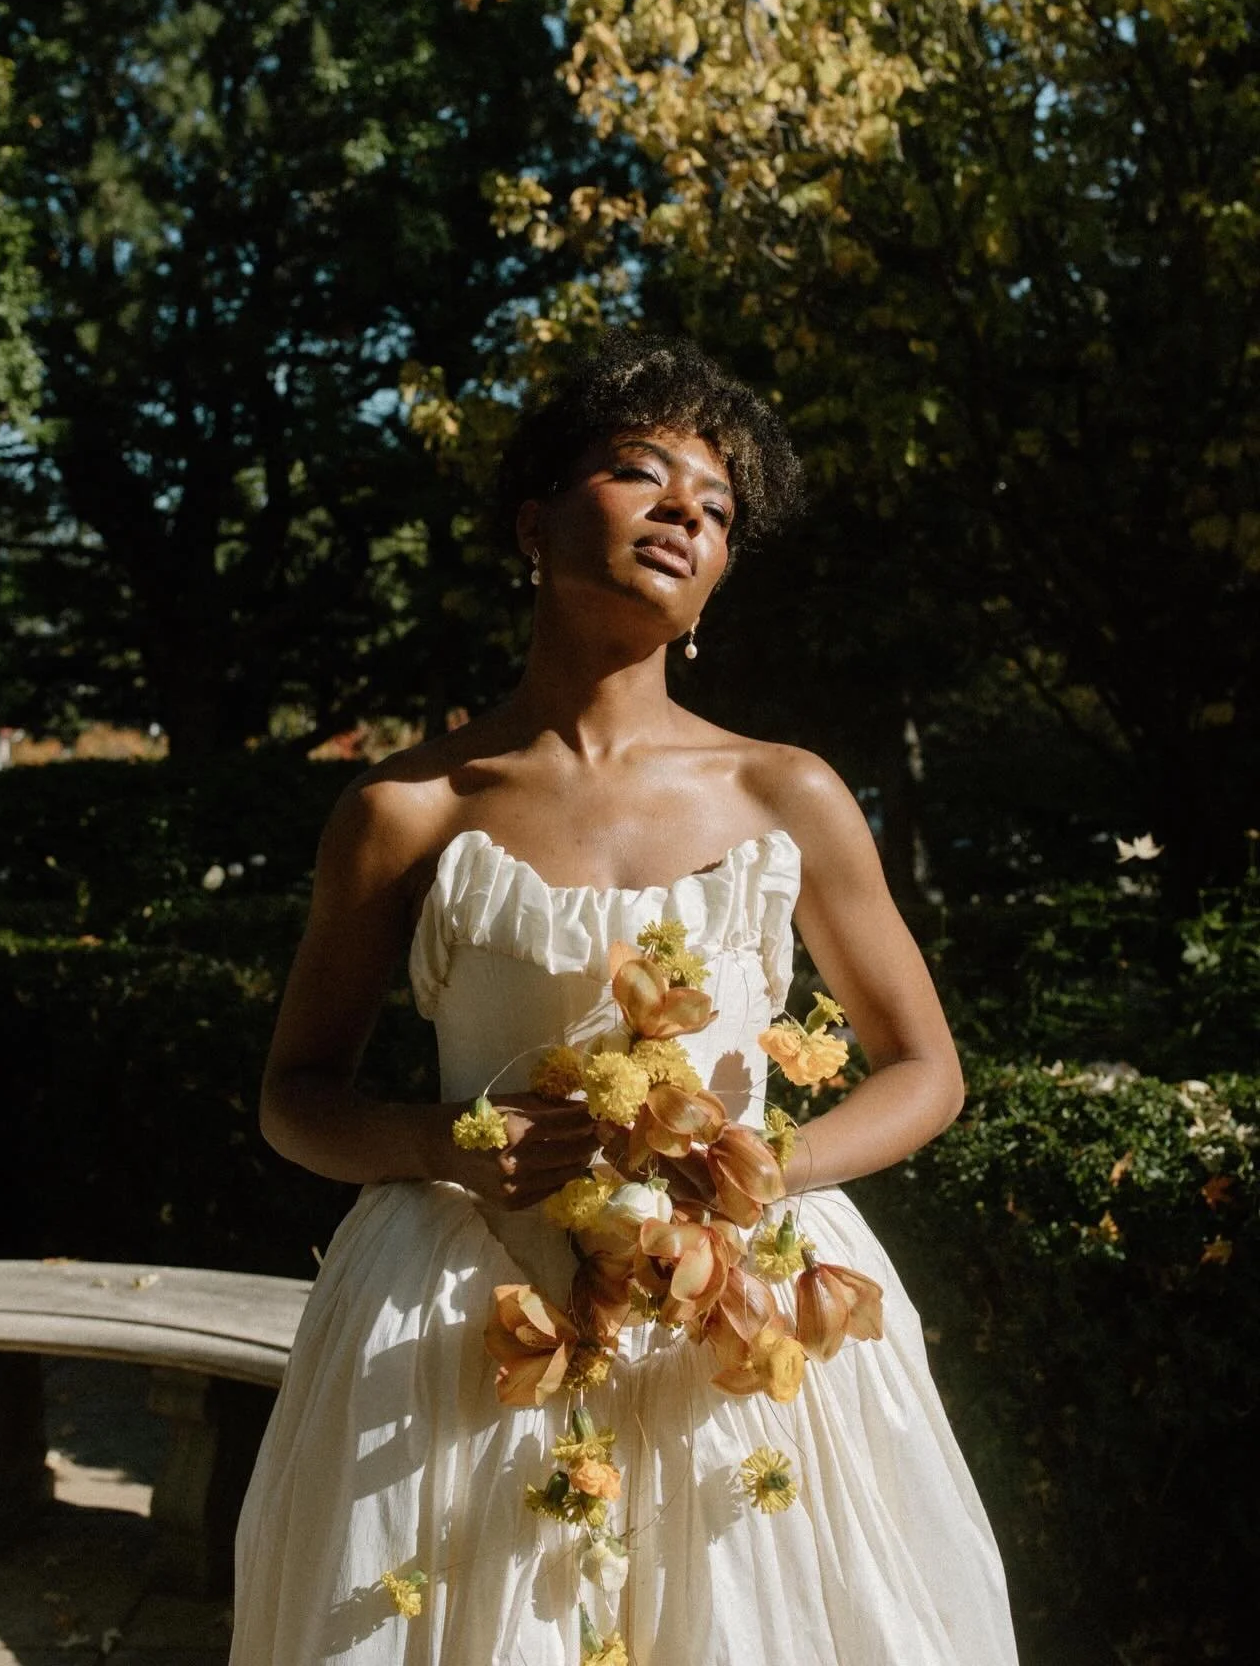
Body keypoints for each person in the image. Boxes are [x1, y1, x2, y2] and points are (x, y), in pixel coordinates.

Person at [231, 332, 1017, 1665]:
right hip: (463, 1328)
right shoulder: (402, 809)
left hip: (739, 1329)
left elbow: (925, 1069)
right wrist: (446, 1144)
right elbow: (293, 1099)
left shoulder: (789, 796)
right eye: (640, 473)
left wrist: (774, 1167)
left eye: (717, 509)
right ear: (533, 523)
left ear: (717, 581)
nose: (685, 515)